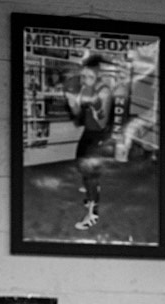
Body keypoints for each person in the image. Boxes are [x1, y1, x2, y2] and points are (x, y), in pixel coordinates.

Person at [65, 54, 114, 231]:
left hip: (100, 135)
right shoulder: (86, 88)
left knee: (89, 171)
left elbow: (101, 122)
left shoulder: (104, 92)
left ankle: (93, 214)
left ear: (98, 76)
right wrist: (73, 105)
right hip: (89, 132)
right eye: (84, 76)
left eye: (90, 77)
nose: (86, 80)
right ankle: (92, 190)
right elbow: (78, 119)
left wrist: (95, 106)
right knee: (81, 163)